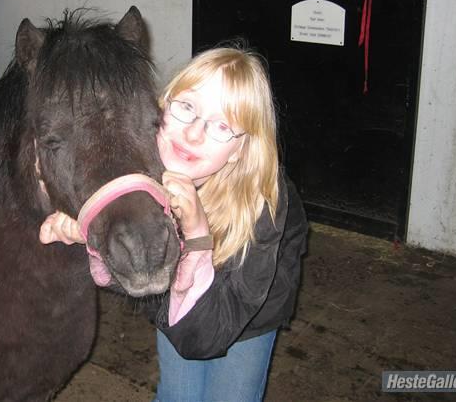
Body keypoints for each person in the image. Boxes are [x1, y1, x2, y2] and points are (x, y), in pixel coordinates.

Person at [40, 46, 309, 402]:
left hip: (247, 316)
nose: (194, 134)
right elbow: (143, 281)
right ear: (161, 106)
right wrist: (90, 233)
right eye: (186, 108)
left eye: (223, 126)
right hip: (179, 306)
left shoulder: (263, 205)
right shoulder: (139, 173)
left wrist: (197, 235)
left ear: (241, 150)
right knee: (177, 396)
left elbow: (211, 335)